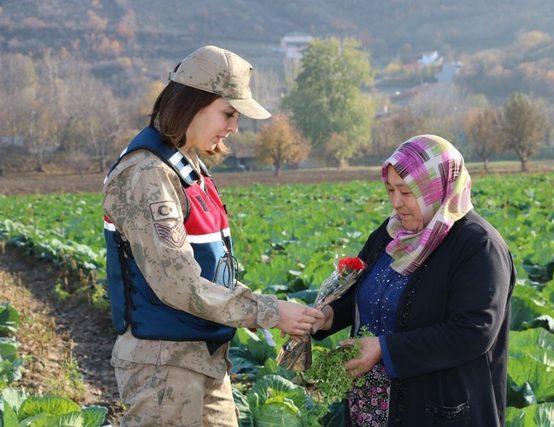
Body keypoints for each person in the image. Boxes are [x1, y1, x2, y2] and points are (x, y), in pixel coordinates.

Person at [103, 45, 324, 426]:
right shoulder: (146, 175)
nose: (234, 127)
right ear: (193, 103)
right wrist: (270, 312)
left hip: (203, 359)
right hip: (164, 367)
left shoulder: (187, 166)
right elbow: (179, 284)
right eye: (228, 113)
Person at [312, 135, 515, 426]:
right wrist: (327, 316)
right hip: (372, 408)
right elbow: (363, 292)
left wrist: (386, 348)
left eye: (407, 192)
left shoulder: (478, 245)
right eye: (390, 190)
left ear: (436, 187)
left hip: (441, 411)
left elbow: (474, 331)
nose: (396, 203)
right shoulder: (391, 233)